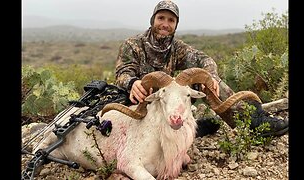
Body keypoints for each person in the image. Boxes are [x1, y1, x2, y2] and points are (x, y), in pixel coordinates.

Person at [114, 0, 288, 138]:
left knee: (206, 81)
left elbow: (204, 59)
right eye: (161, 18)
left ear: (176, 25)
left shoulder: (177, 48)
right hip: (142, 103)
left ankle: (251, 122)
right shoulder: (133, 44)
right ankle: (190, 130)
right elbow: (123, 72)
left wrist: (210, 76)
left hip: (171, 103)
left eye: (171, 20)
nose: (165, 24)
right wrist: (132, 83)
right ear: (153, 20)